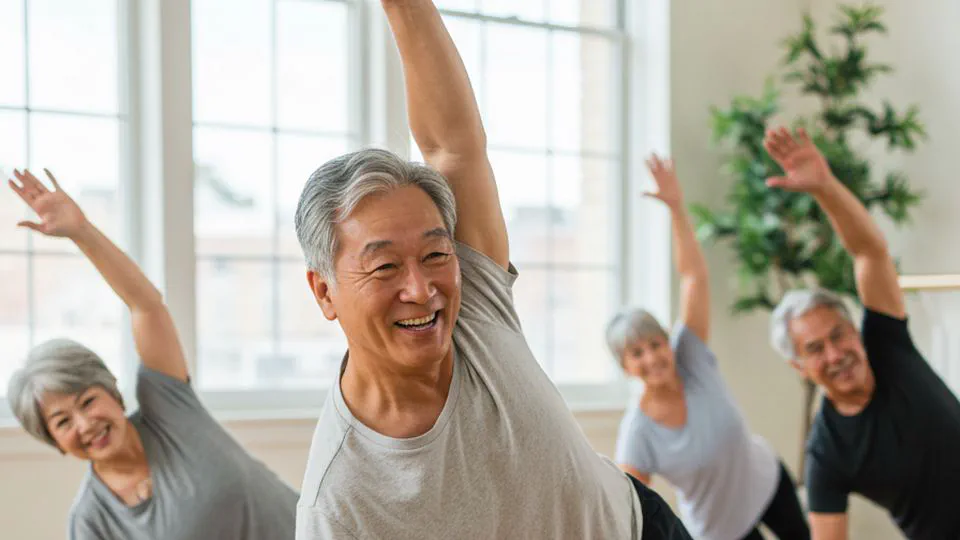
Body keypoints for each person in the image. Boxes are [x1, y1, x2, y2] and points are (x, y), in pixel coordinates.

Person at [292, 1, 691, 538]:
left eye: (435, 255)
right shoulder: (337, 503)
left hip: (640, 526)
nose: (421, 288)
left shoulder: (471, 299)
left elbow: (452, 146)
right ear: (325, 292)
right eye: (384, 266)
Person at [6, 169, 298, 540]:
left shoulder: (167, 407)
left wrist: (83, 233)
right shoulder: (91, 521)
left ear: (112, 392)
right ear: (55, 442)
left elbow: (145, 305)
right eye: (62, 422)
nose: (84, 424)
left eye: (87, 401)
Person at [765, 126, 960, 540]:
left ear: (855, 330)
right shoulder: (827, 452)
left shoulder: (887, 345)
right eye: (816, 348)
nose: (836, 354)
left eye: (838, 335)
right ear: (798, 366)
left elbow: (870, 252)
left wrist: (825, 187)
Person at [608, 157, 810, 540]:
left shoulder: (691, 357)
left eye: (655, 343)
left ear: (669, 342)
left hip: (767, 483)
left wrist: (676, 208)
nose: (652, 357)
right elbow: (629, 509)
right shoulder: (638, 431)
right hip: (721, 530)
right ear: (625, 367)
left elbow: (693, 278)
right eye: (637, 353)